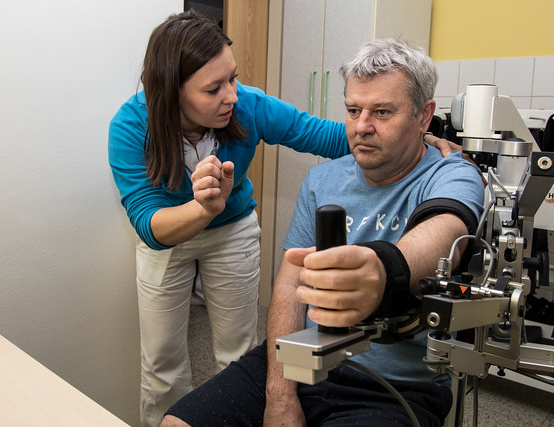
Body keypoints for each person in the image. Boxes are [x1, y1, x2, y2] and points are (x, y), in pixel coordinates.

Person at [160, 38, 485, 427]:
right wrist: (281, 395)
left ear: (423, 116)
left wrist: (383, 269)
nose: (362, 127)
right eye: (352, 110)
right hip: (299, 361)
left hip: (393, 383)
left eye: (382, 111)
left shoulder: (452, 172)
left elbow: (447, 228)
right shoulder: (322, 179)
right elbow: (289, 285)